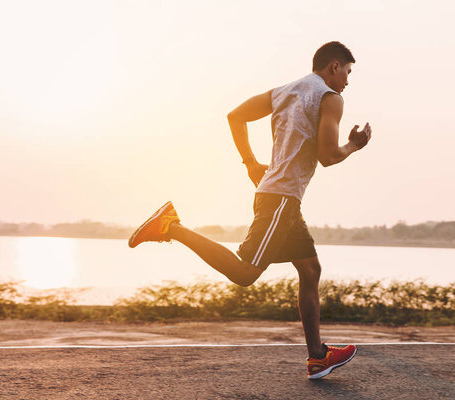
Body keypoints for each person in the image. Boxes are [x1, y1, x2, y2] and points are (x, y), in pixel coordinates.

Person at [129, 41, 372, 379]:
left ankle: (318, 356)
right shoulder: (331, 99)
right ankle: (171, 226)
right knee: (245, 274)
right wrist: (353, 145)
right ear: (334, 66)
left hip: (278, 196)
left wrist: (250, 164)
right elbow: (328, 157)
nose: (347, 80)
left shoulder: (286, 91)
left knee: (310, 270)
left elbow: (236, 116)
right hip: (281, 199)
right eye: (348, 72)